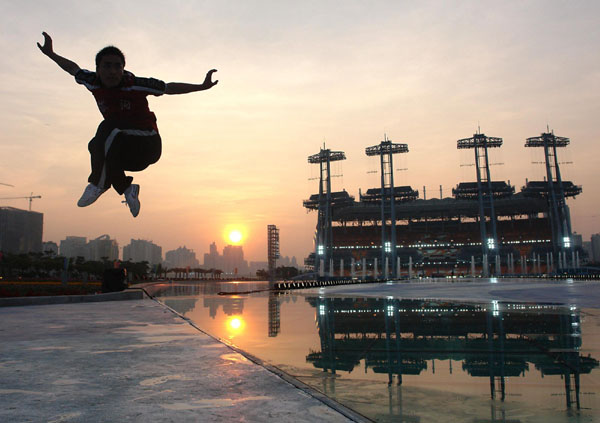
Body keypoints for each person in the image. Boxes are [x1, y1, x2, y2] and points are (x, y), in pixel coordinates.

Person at [37, 32, 218, 217]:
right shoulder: (92, 81)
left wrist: (201, 86)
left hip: (147, 142)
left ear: (123, 69)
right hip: (125, 151)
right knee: (96, 146)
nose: (113, 72)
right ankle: (127, 189)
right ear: (98, 69)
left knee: (107, 128)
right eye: (107, 66)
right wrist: (51, 54)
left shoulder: (135, 84)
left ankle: (98, 183)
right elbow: (72, 68)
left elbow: (169, 87)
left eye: (118, 67)